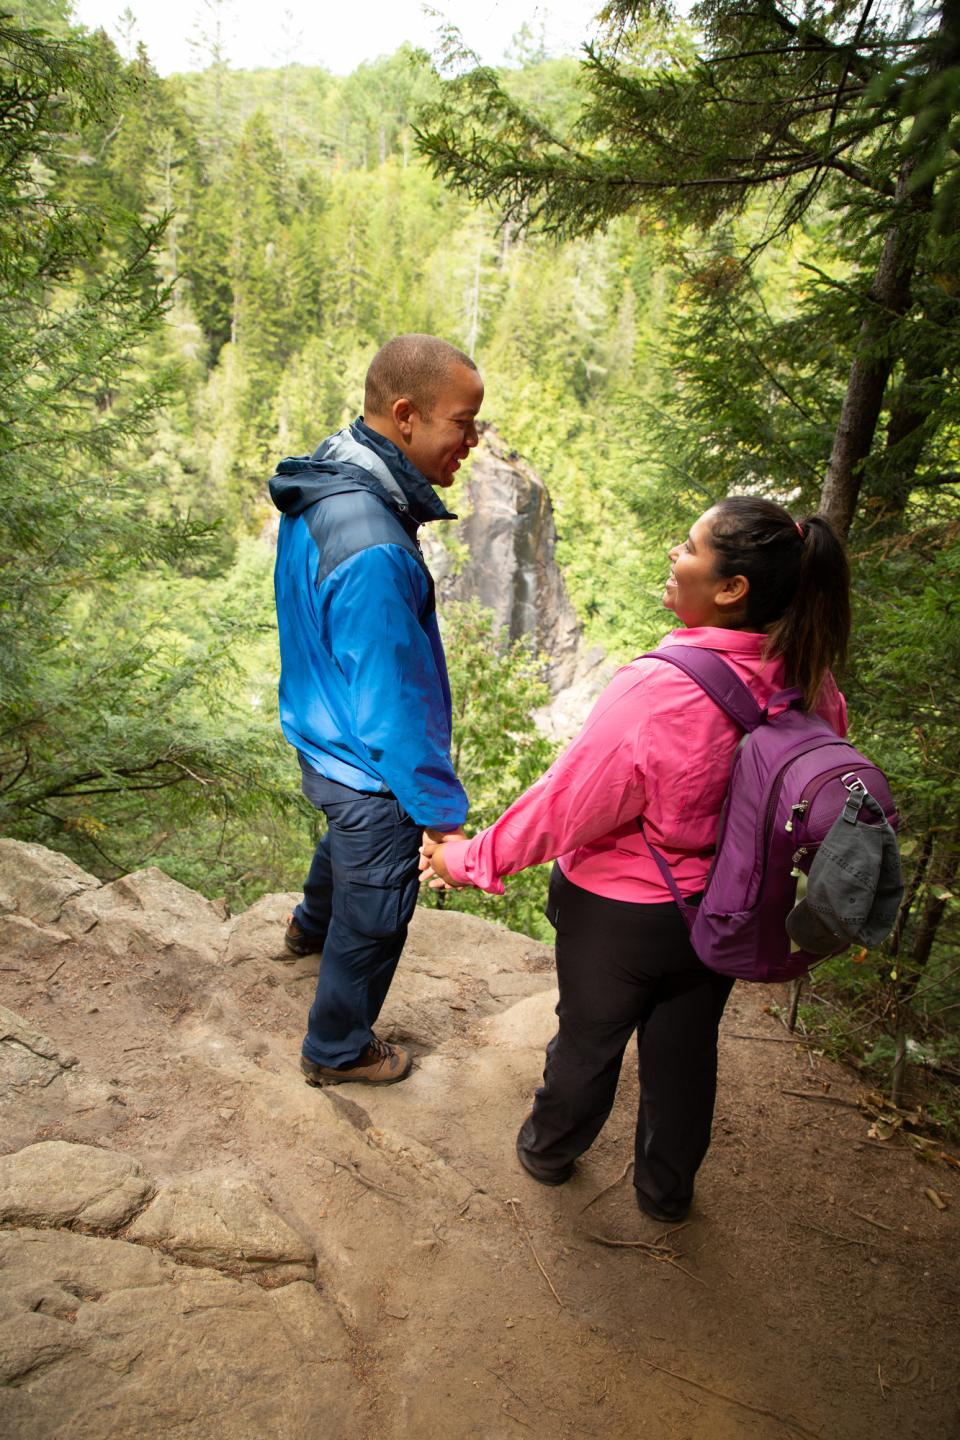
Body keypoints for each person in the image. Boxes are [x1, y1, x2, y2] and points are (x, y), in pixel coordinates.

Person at [421, 497, 850, 1221]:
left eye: (688, 547)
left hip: (621, 914)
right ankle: (666, 1192)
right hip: (728, 911)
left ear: (731, 588)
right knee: (685, 1057)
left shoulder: (662, 686)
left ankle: (549, 1153)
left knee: (588, 1042)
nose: (672, 556)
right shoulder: (813, 683)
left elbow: (567, 806)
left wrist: (468, 859)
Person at [270, 334, 483, 1087]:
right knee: (379, 900)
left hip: (317, 726)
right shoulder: (378, 550)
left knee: (344, 845)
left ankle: (306, 930)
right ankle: (337, 1048)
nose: (472, 442)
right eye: (462, 423)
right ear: (404, 416)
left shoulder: (328, 473)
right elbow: (394, 710)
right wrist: (440, 817)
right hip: (363, 759)